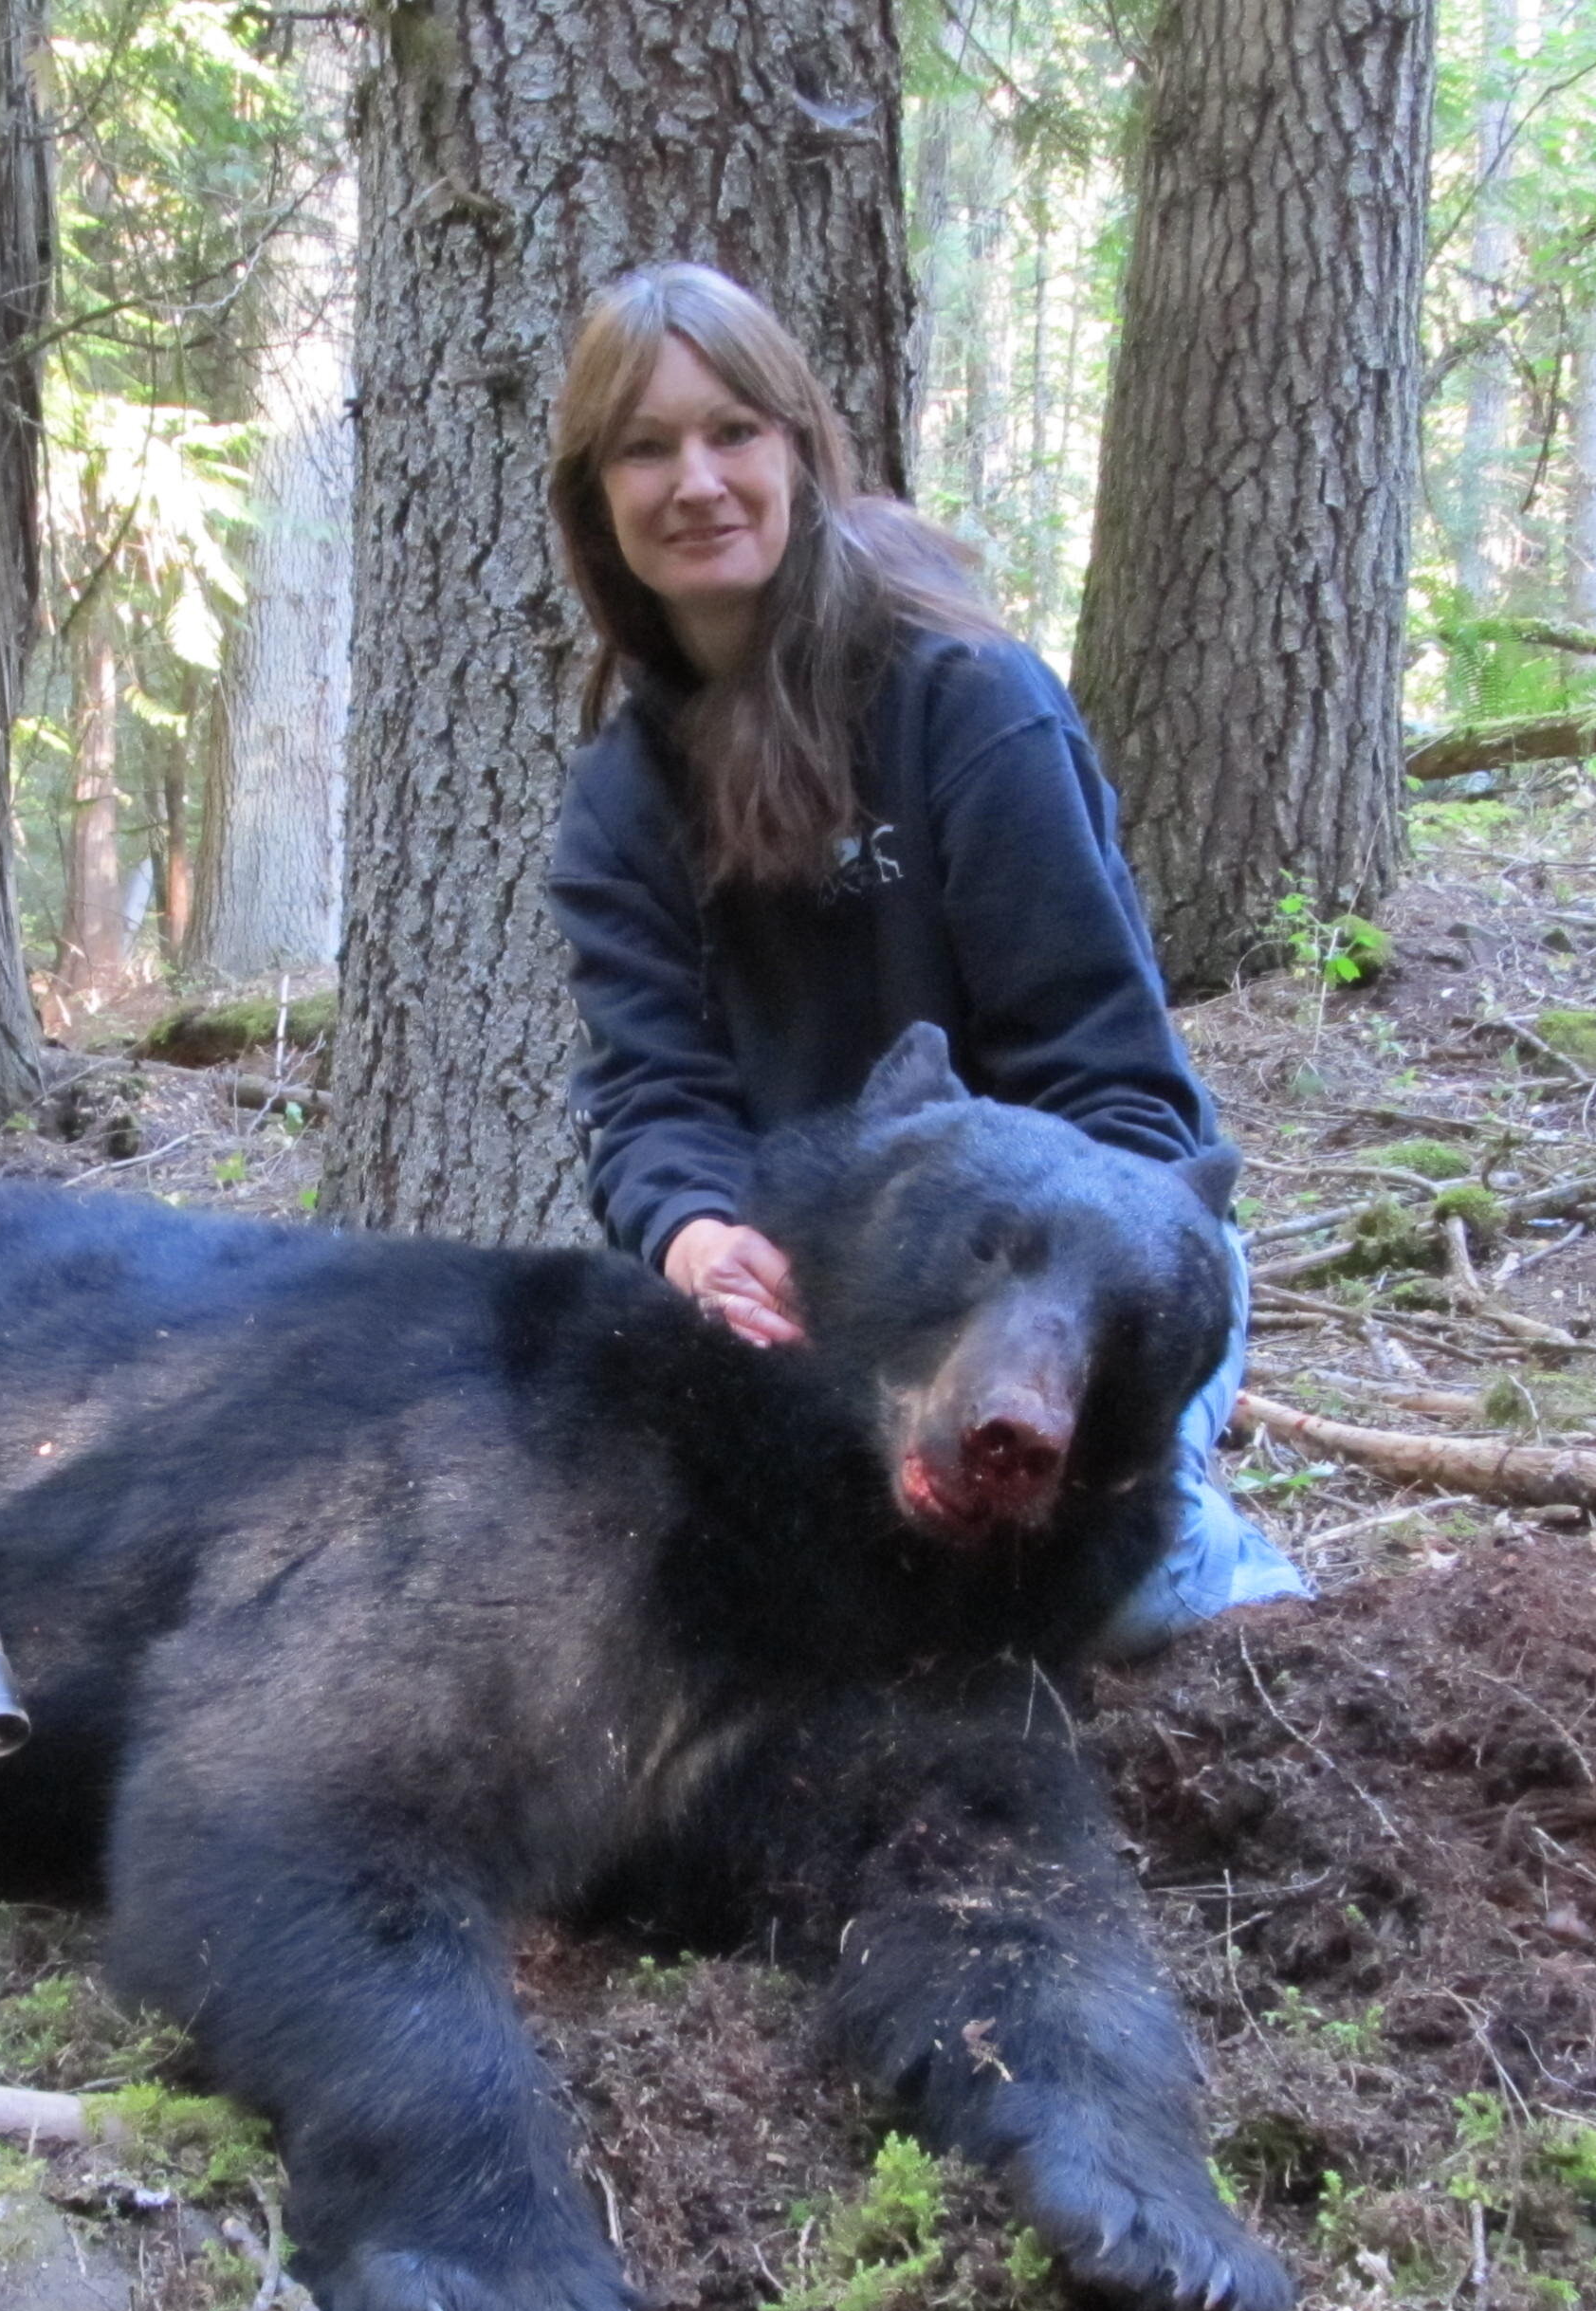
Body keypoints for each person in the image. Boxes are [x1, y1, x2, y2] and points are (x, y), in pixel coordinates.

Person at [541, 261, 1303, 1655]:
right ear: (598, 501)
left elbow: (1118, 1099)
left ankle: (1266, 1627)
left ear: (799, 447)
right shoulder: (620, 800)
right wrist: (701, 1236)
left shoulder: (968, 703)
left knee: (1126, 1606)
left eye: (731, 433)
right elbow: (654, 1099)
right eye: (644, 450)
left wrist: (1049, 1342)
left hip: (1099, 1279)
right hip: (837, 1288)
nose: (695, 481)